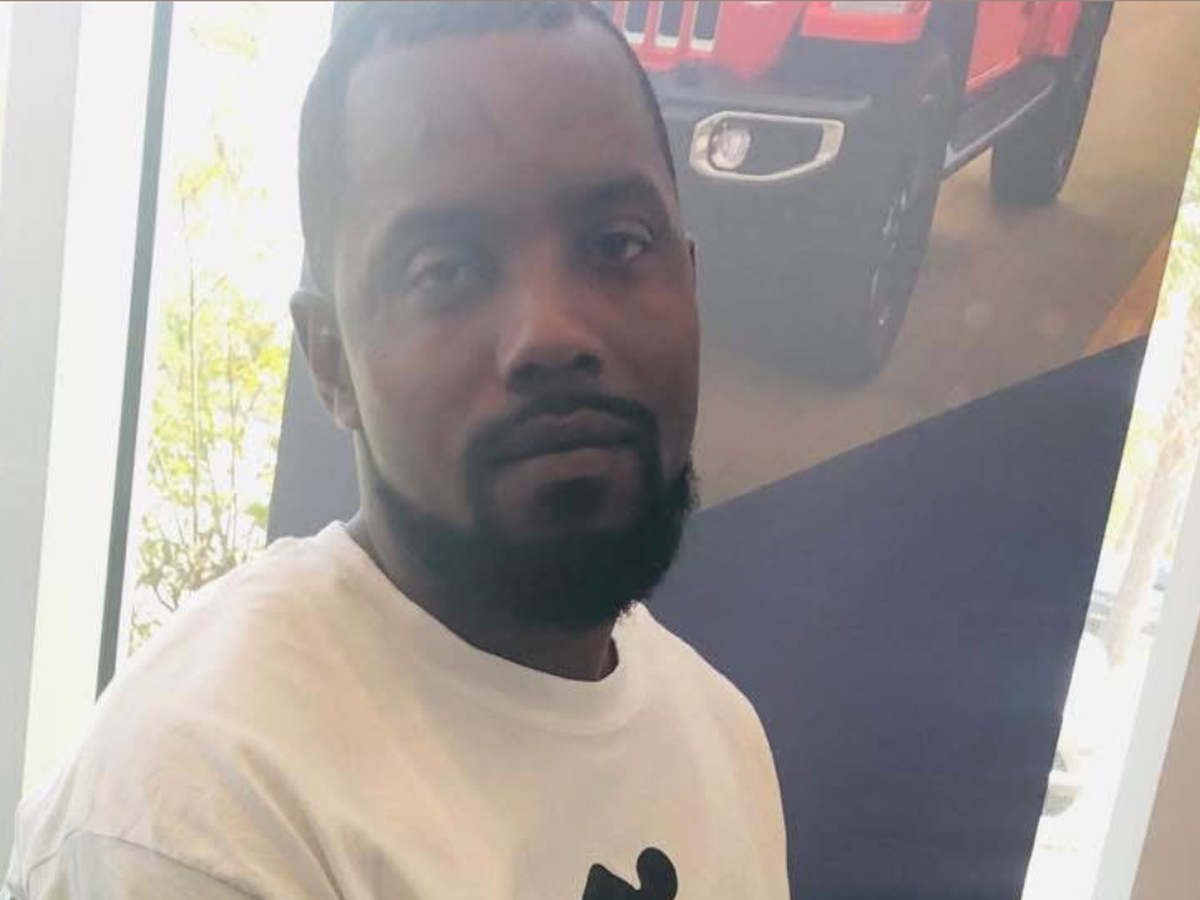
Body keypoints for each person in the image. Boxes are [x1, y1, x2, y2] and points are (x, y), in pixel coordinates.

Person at [4, 3, 788, 897]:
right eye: (443, 269)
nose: (551, 333)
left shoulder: (721, 737)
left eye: (617, 244)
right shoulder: (201, 808)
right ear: (330, 359)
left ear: (689, 280)